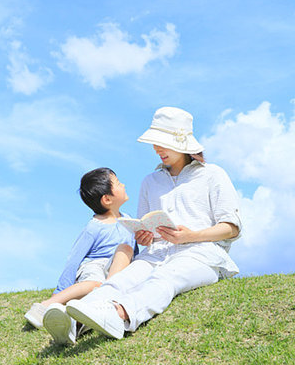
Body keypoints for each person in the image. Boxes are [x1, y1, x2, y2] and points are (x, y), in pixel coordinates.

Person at [66, 107, 242, 340]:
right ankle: (73, 322)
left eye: (163, 142)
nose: (157, 149)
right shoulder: (150, 181)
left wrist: (189, 236)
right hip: (157, 253)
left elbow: (232, 228)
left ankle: (119, 315)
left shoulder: (213, 174)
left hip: (202, 255)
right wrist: (145, 237)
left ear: (182, 142)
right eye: (155, 142)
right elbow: (145, 227)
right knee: (122, 280)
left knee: (166, 278)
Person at [24, 167, 136, 344]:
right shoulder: (94, 226)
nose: (124, 185)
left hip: (116, 269)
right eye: (118, 183)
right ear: (107, 199)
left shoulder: (129, 220)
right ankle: (47, 306)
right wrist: (60, 292)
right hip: (95, 266)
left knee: (126, 249)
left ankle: (109, 294)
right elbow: (74, 259)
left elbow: (132, 252)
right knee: (94, 283)